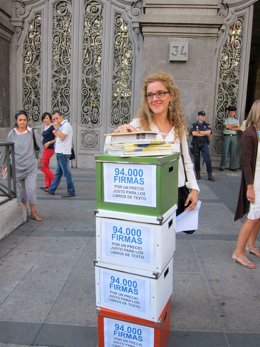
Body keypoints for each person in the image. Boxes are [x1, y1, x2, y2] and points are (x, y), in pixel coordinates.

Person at [109, 71, 199, 212]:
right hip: (147, 196)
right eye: (150, 95)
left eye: (160, 93)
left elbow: (186, 161)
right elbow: (113, 150)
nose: (154, 98)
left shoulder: (178, 128)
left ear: (171, 96)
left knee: (171, 231)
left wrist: (194, 189)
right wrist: (117, 134)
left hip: (176, 192)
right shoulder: (138, 125)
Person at [0, 110, 43, 221]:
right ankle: (25, 212)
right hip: (17, 167)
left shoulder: (32, 132)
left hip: (30, 167)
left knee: (31, 189)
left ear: (27, 120)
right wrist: (3, 164)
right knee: (22, 192)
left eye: (24, 120)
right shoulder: (12, 134)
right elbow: (6, 150)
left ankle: (33, 212)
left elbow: (40, 147)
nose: (22, 122)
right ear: (16, 121)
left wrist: (39, 159)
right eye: (20, 120)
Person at [233, 100, 260, 269]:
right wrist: (250, 187)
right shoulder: (249, 133)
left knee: (258, 216)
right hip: (255, 180)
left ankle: (251, 245)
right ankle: (238, 253)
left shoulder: (258, 132)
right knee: (253, 217)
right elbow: (245, 163)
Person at [43, 111, 76, 198]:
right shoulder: (61, 126)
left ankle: (71, 191)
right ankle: (52, 189)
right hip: (60, 152)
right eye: (54, 119)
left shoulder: (66, 125)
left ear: (62, 117)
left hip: (63, 152)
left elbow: (62, 137)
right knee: (58, 173)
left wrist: (55, 129)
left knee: (67, 173)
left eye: (57, 118)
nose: (55, 120)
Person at [190, 111, 215, 181]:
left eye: (204, 116)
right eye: (202, 116)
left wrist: (199, 132)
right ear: (199, 116)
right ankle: (198, 174)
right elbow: (194, 133)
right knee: (196, 160)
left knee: (207, 160)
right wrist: (204, 133)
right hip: (196, 144)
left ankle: (210, 175)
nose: (204, 117)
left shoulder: (207, 125)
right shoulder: (194, 125)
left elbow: (209, 132)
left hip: (204, 144)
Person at [219, 105, 241, 171]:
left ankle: (232, 167)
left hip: (234, 137)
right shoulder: (226, 119)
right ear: (228, 112)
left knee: (233, 152)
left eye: (233, 112)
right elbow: (226, 126)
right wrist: (234, 126)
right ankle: (222, 166)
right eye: (231, 112)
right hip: (227, 136)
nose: (232, 113)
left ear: (235, 113)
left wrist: (231, 127)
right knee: (225, 151)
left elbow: (238, 128)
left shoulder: (237, 120)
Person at [40, 112, 55, 189]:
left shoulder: (52, 127)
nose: (45, 120)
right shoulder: (46, 126)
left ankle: (55, 179)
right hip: (45, 149)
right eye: (44, 118)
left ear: (50, 119)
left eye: (47, 118)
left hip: (50, 149)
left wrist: (49, 142)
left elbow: (57, 138)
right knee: (46, 166)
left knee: (41, 166)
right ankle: (47, 184)